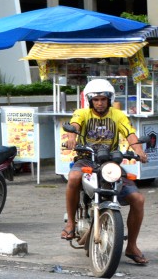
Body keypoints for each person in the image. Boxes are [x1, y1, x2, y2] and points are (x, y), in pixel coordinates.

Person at [61, 78, 149, 265]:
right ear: (90, 100)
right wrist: (71, 138)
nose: (100, 103)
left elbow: (130, 133)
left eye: (103, 99)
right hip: (87, 159)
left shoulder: (118, 115)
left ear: (109, 99)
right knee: (74, 176)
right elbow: (74, 126)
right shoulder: (82, 113)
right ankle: (70, 223)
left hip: (111, 163)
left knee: (138, 199)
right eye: (96, 99)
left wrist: (139, 151)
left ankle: (131, 246)